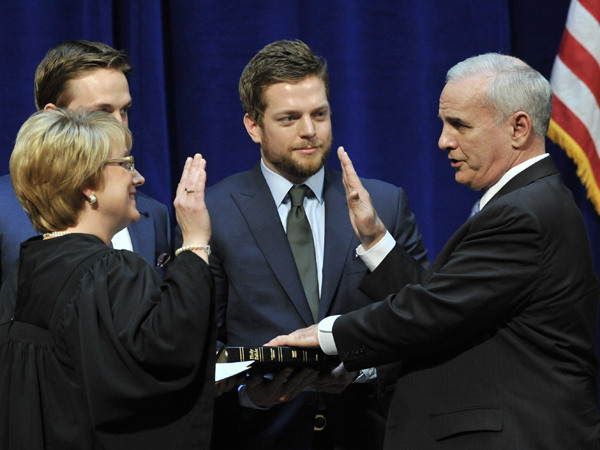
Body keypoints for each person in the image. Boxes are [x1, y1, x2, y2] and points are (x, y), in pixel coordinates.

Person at [268, 53, 600, 449]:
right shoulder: (528, 201)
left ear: (518, 128)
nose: (443, 141)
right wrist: (375, 240)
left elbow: (433, 312)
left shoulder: (523, 212)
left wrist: (326, 336)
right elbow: (452, 306)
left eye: (459, 125)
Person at [203, 40, 429, 450]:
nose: (309, 130)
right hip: (259, 435)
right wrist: (249, 394)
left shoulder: (384, 203)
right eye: (289, 118)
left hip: (367, 434)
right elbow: (199, 338)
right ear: (253, 126)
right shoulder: (213, 211)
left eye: (319, 114)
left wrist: (362, 371)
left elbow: (424, 318)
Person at [0, 109, 216, 449]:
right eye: (126, 164)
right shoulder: (109, 273)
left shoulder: (24, 270)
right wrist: (194, 243)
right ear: (87, 184)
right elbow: (168, 355)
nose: (139, 178)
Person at [0, 40, 171, 285]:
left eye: (124, 110)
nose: (120, 125)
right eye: (102, 112)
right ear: (53, 116)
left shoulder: (152, 214)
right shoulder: (3, 209)